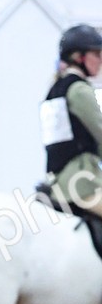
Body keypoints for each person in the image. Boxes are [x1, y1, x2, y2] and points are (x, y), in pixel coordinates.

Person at [41, 24, 102, 220]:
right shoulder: (79, 90)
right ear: (79, 57)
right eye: (96, 54)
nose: (100, 60)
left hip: (55, 182)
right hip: (82, 184)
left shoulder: (54, 88)